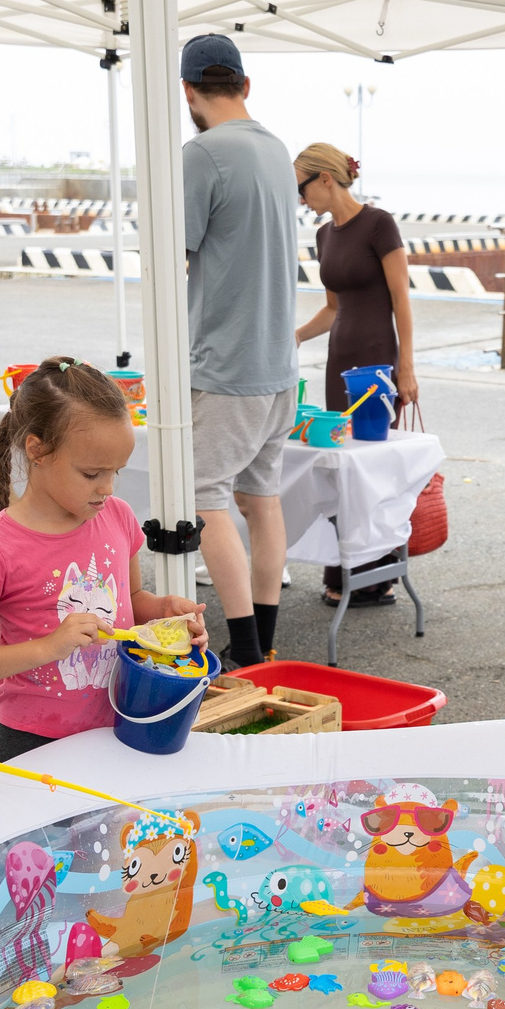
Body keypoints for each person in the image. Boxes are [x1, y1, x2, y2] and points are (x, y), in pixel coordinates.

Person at [0, 360, 206, 761]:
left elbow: (130, 599)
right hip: (31, 741)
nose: (108, 487)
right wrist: (50, 647)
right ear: (37, 450)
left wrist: (162, 611)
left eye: (115, 471)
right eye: (91, 473)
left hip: (121, 722)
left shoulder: (117, 515)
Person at [179, 33, 298, 668]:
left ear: (188, 91)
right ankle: (266, 640)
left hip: (228, 364)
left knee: (204, 500)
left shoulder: (201, 153)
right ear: (246, 86)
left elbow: (176, 254)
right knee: (262, 499)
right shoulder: (277, 150)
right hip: (280, 366)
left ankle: (247, 651)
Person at [295, 141, 418, 608]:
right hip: (339, 356)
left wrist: (405, 366)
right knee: (342, 466)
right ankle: (346, 569)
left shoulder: (379, 224)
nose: (300, 198)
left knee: (372, 469)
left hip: (376, 359)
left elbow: (401, 300)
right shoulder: (325, 235)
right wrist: (298, 336)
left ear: (326, 178)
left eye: (301, 187)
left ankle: (374, 578)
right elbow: (332, 308)